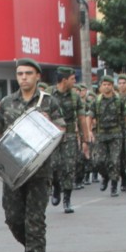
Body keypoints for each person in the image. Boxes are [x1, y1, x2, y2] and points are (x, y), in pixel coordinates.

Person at [0, 58, 64, 252]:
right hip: (13, 168)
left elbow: (62, 130)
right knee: (12, 217)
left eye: (28, 73)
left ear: (37, 76)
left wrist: (50, 123)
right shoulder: (7, 102)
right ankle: (30, 247)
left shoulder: (48, 102)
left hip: (40, 168)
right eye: (20, 74)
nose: (23, 78)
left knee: (35, 218)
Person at [87, 76, 126, 198]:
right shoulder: (96, 101)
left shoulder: (119, 100)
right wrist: (89, 131)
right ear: (101, 86)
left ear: (112, 86)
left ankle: (114, 185)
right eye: (104, 84)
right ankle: (105, 176)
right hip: (101, 135)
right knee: (98, 161)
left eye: (109, 84)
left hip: (116, 134)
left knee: (115, 160)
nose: (106, 87)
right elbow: (89, 116)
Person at [48, 67, 86, 212]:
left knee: (69, 167)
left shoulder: (75, 96)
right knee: (53, 166)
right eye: (72, 79)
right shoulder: (48, 94)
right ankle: (57, 185)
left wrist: (85, 139)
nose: (75, 82)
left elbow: (82, 118)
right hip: (52, 135)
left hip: (69, 135)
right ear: (64, 80)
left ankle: (67, 200)